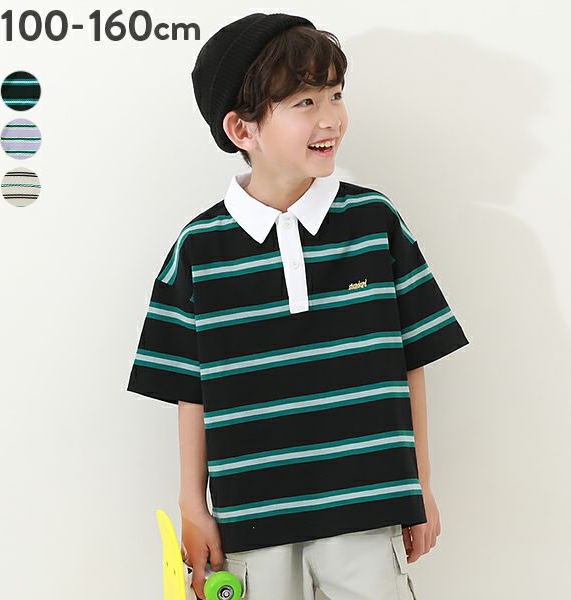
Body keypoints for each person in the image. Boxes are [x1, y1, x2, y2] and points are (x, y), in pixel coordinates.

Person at [126, 12, 470, 600]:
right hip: (251, 522)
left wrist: (420, 485)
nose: (330, 117)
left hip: (367, 509)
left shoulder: (375, 223)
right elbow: (190, 389)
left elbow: (411, 361)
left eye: (335, 94)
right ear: (243, 130)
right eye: (304, 102)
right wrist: (192, 504)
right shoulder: (199, 249)